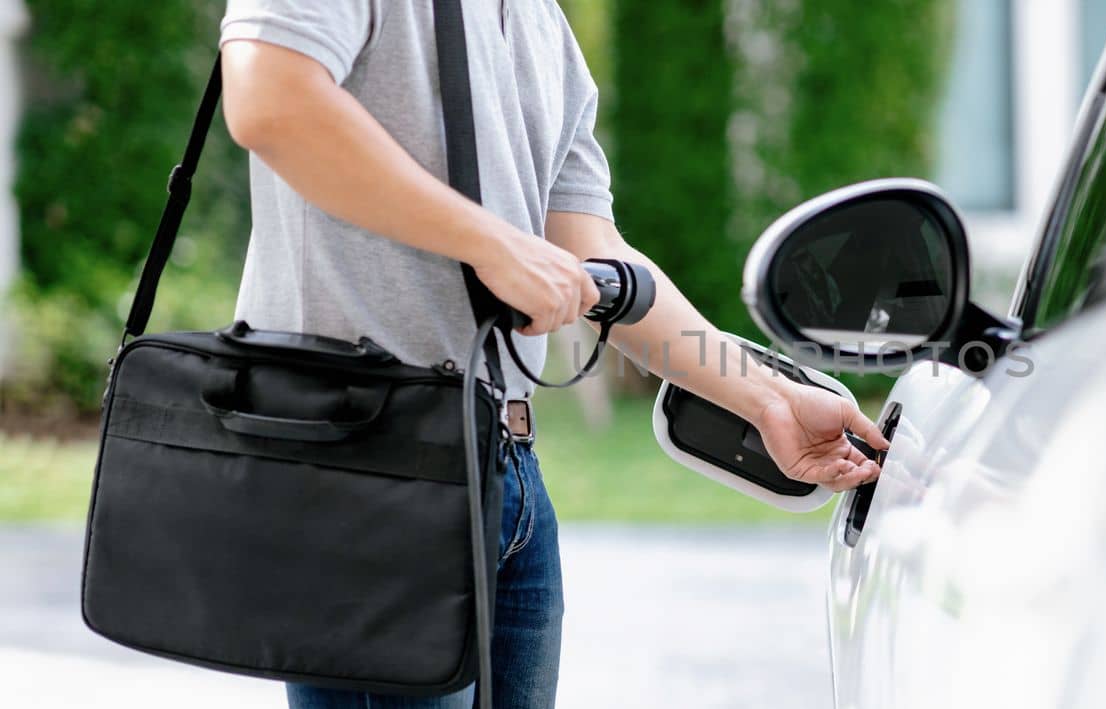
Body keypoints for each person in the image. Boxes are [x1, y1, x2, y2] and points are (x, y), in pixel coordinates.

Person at [216, 2, 889, 707]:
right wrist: (491, 243)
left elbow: (593, 254)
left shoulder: (541, 24)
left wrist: (768, 398)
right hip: (365, 466)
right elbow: (269, 97)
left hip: (506, 472)